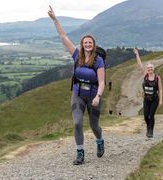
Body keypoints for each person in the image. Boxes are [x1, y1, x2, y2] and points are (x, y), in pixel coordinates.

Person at [48, 6, 105, 165]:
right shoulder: (76, 56)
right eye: (85, 42)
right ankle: (80, 152)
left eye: (90, 42)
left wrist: (98, 96)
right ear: (82, 44)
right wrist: (55, 20)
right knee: (77, 123)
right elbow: (63, 36)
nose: (87, 44)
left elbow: (101, 82)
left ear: (93, 45)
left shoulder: (98, 61)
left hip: (94, 95)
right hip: (78, 94)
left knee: (94, 125)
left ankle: (100, 141)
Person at [133, 48, 163, 138]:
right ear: (147, 69)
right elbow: (139, 64)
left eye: (151, 68)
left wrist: (161, 100)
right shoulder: (145, 75)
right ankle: (148, 126)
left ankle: (151, 131)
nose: (150, 69)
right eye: (148, 68)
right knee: (146, 116)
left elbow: (160, 89)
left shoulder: (157, 78)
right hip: (146, 98)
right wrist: (137, 54)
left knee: (151, 115)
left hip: (154, 99)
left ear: (153, 69)